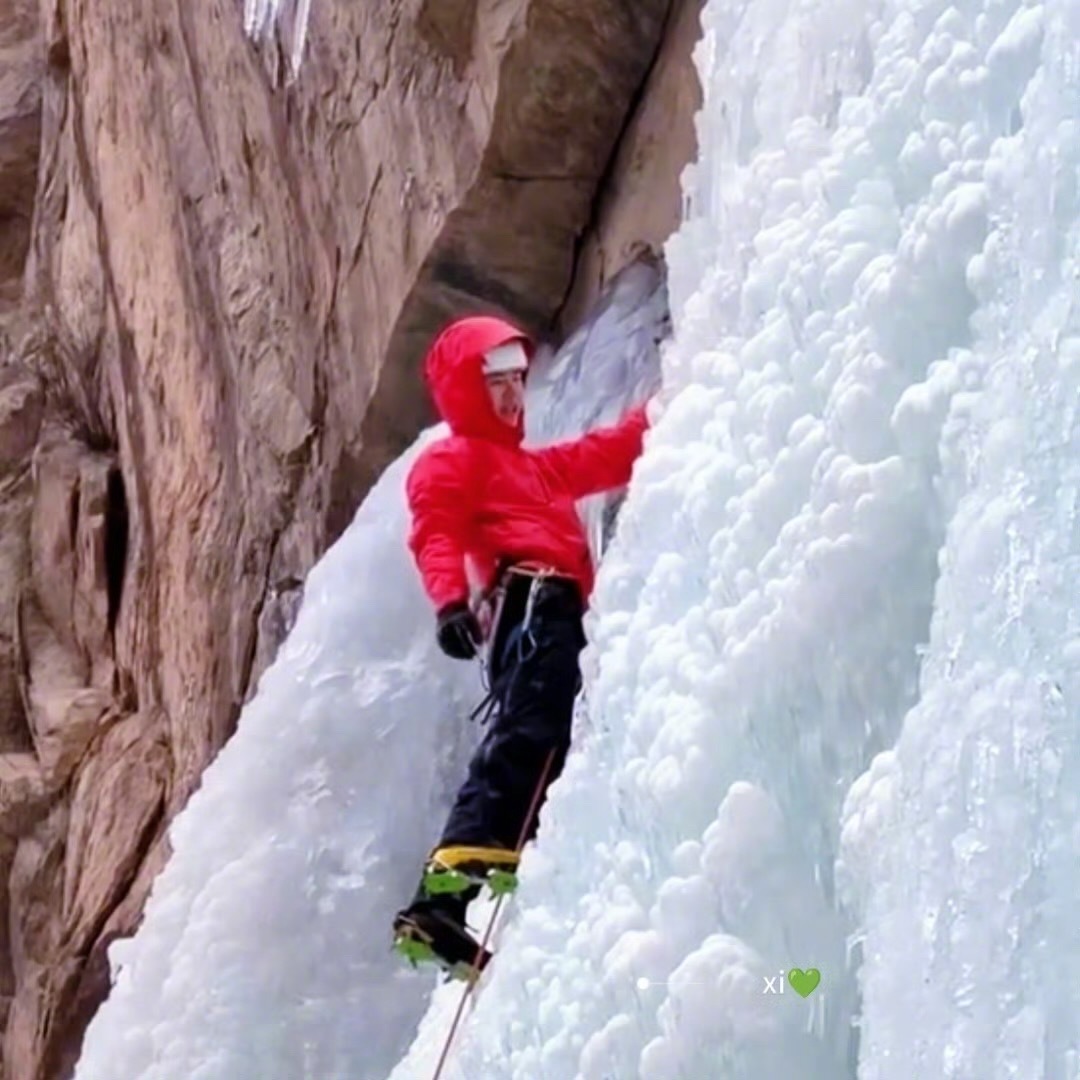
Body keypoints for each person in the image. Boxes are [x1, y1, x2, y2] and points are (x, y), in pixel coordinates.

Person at [392, 313, 649, 977]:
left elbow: (611, 452)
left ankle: (467, 894)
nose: (511, 394)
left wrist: (686, 380)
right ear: (464, 390)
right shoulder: (450, 459)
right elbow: (435, 532)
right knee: (528, 733)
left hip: (557, 611)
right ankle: (442, 893)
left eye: (516, 380)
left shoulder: (536, 469)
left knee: (550, 741)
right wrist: (449, 602)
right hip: (532, 602)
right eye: (495, 382)